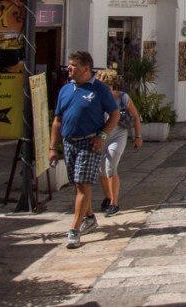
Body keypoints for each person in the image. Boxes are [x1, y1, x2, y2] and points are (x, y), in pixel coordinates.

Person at [49, 51, 119, 249]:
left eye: (73, 66)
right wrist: (53, 147)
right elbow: (57, 120)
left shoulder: (99, 89)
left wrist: (102, 136)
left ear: (86, 69)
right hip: (69, 143)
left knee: (82, 184)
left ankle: (74, 230)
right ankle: (89, 217)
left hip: (90, 143)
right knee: (78, 185)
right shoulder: (65, 90)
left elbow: (114, 114)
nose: (69, 69)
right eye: (69, 65)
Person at [96, 69, 142, 217]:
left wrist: (138, 136)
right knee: (101, 170)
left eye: (107, 85)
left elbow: (135, 116)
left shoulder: (123, 98)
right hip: (101, 136)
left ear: (113, 85)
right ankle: (108, 196)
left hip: (118, 135)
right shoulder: (97, 98)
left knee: (110, 167)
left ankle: (114, 203)